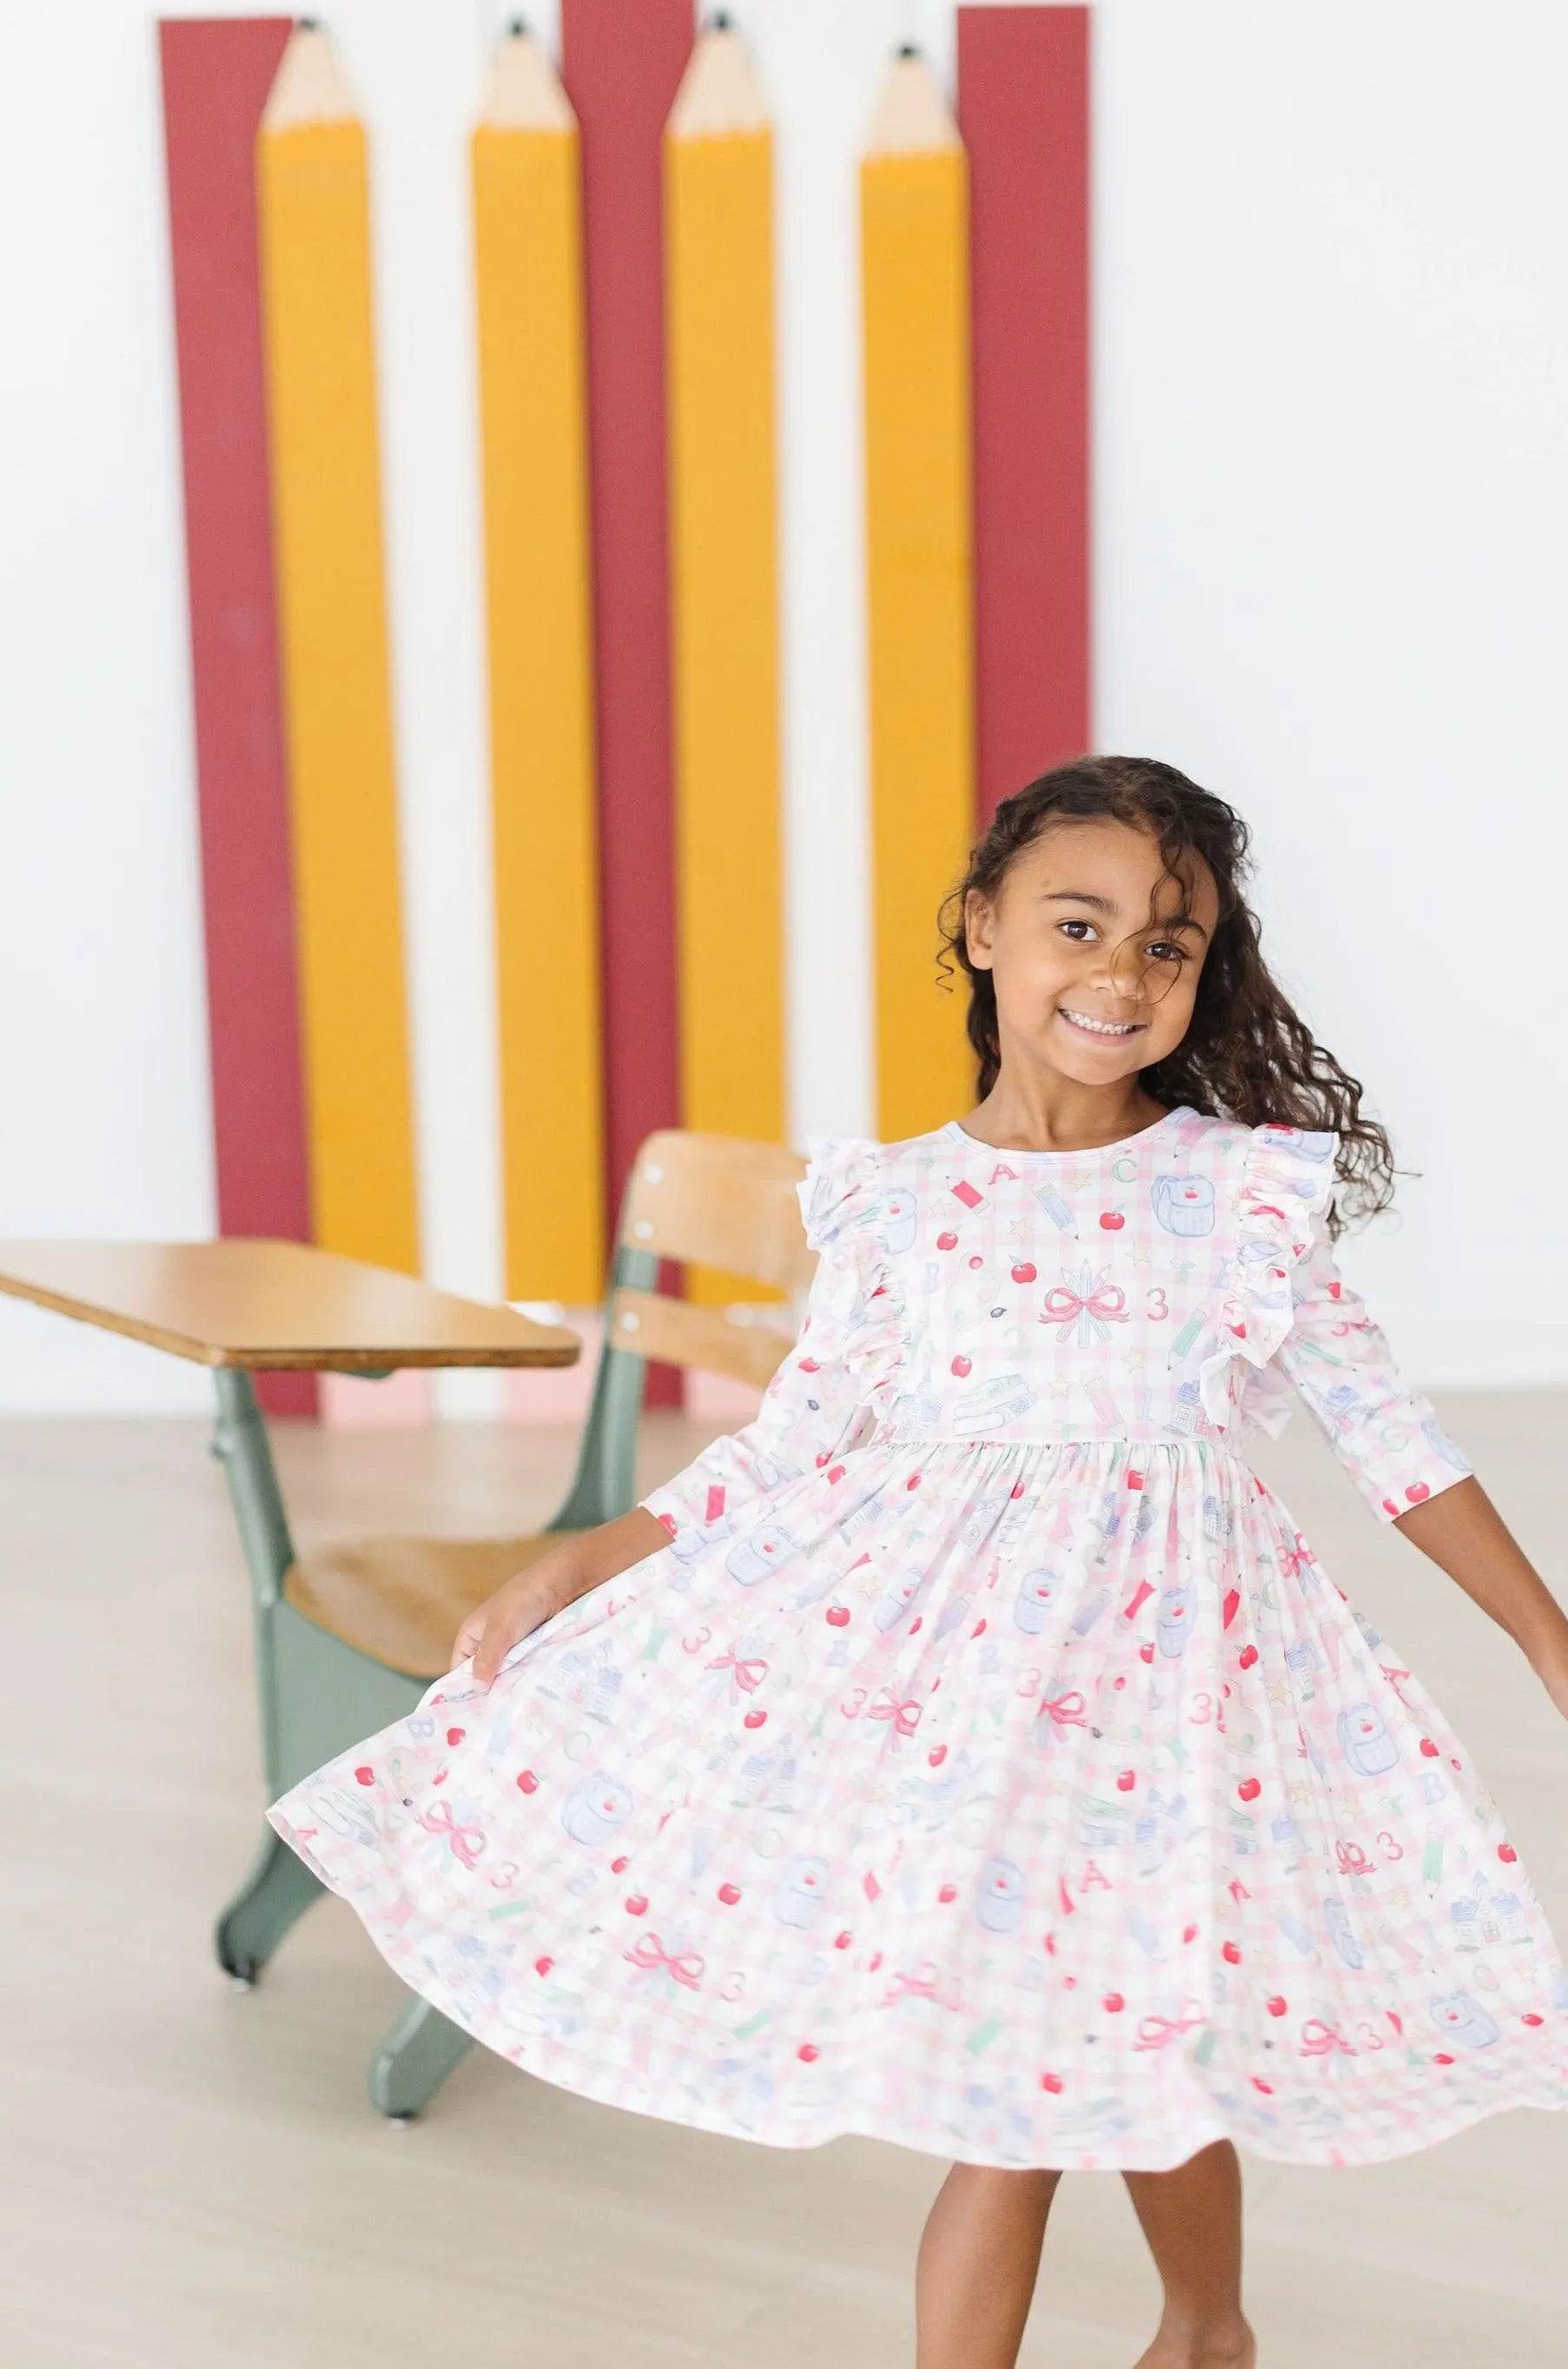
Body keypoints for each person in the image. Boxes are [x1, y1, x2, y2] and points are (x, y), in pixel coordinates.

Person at [269, 757, 1568, 2369]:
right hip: (966, 1697)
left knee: (1144, 2033)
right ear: (980, 930)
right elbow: (787, 1447)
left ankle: (1207, 2325)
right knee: (1030, 2075)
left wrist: (1548, 1643)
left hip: (1173, 1699)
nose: (1118, 975)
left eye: (1167, 947)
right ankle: (1213, 2334)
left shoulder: (1238, 1195)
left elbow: (1395, 1442)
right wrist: (583, 1560)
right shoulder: (897, 1206)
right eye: (1076, 925)